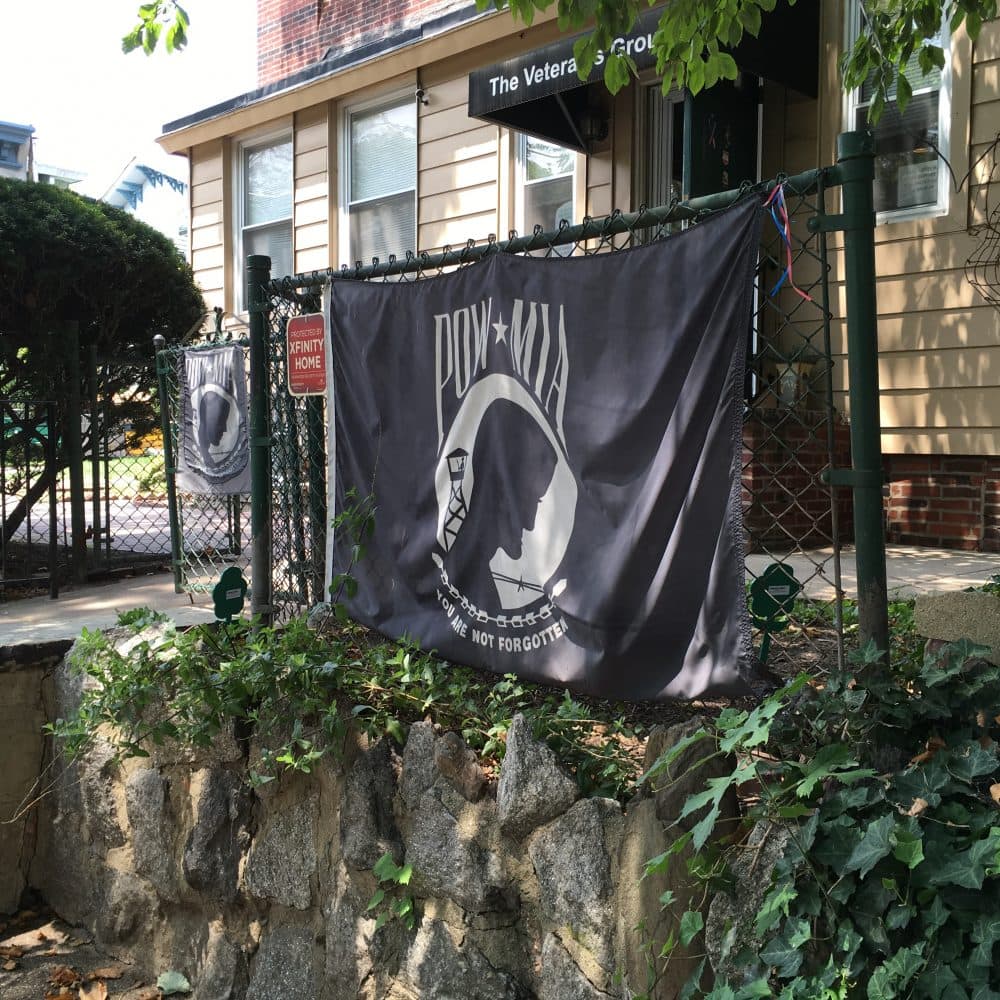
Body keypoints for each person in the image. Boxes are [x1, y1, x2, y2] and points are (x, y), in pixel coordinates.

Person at [444, 397, 558, 611]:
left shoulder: (467, 580)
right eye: (533, 500)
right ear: (503, 491)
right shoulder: (465, 582)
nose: (531, 525)